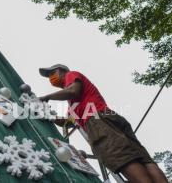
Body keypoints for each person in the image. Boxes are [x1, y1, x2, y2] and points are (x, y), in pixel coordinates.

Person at [38, 64, 168, 183]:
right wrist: (49, 116)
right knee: (142, 158)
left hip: (98, 121)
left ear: (63, 70)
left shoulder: (71, 75)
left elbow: (73, 91)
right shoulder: (73, 104)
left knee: (120, 156)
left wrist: (46, 97)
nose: (51, 78)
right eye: (49, 76)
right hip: (108, 118)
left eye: (52, 73)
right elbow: (67, 121)